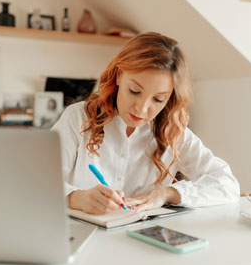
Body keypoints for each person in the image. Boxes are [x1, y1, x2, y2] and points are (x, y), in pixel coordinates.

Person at [52, 32, 240, 215]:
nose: (141, 109)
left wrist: (168, 193)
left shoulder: (172, 132)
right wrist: (77, 198)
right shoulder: (77, 118)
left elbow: (228, 184)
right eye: (134, 91)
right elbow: (34, 181)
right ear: (118, 76)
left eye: (158, 99)